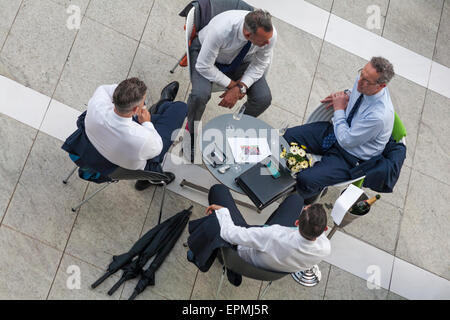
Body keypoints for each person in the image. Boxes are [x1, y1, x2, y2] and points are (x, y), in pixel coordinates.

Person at [284, 57, 396, 201]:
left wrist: (338, 109)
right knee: (286, 137)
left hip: (350, 156)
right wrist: (345, 94)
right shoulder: (363, 82)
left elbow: (346, 141)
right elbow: (354, 93)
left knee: (307, 179)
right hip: (336, 132)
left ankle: (307, 195)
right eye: (362, 73)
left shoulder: (379, 116)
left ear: (381, 86)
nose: (360, 81)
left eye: (367, 80)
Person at [186, 9, 277, 161]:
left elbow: (260, 64)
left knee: (263, 98)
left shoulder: (269, 35)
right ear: (248, 35)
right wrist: (230, 85)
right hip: (206, 56)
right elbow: (203, 66)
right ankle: (191, 135)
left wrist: (241, 86)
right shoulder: (221, 30)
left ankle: (233, 132)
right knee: (199, 95)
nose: (268, 43)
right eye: (264, 41)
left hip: (242, 61)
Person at [187, 184, 331, 276]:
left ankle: (211, 252)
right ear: (325, 229)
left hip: (244, 255)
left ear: (297, 222)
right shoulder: (325, 248)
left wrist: (223, 211)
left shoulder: (273, 235)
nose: (304, 208)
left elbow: (229, 233)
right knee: (296, 200)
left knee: (218, 190)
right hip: (275, 266)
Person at [85, 78, 187, 190]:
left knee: (159, 117)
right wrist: (147, 123)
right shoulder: (142, 138)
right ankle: (163, 104)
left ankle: (163, 105)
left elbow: (109, 89)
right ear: (135, 110)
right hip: (124, 169)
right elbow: (157, 147)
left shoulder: (97, 102)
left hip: (91, 152)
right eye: (143, 102)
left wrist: (127, 95)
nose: (144, 105)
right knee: (180, 108)